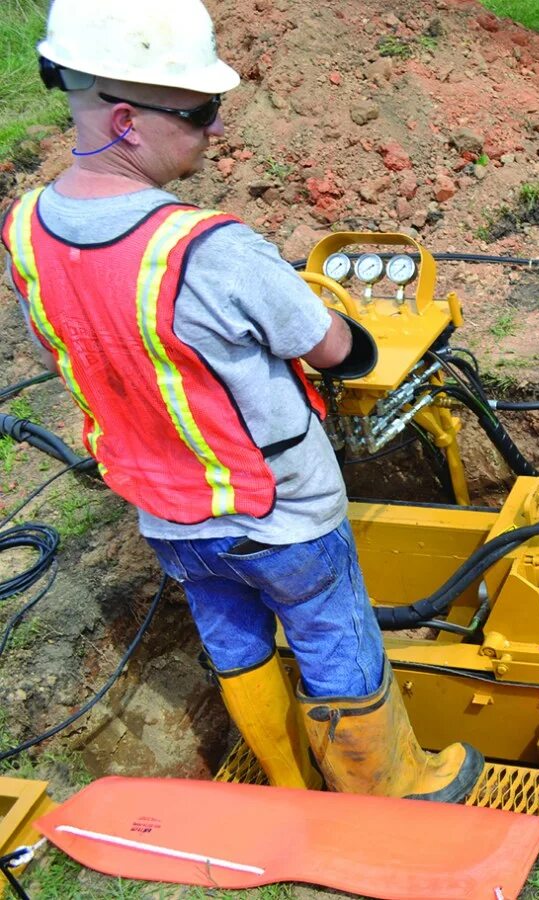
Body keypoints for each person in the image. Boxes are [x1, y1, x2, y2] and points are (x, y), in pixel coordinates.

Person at [1, 0, 482, 803]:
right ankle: (396, 789)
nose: (213, 131)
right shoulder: (210, 248)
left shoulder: (24, 231)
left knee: (233, 642)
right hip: (277, 509)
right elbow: (333, 348)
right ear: (125, 119)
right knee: (335, 635)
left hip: (167, 512)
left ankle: (287, 781)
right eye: (198, 113)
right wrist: (353, 335)